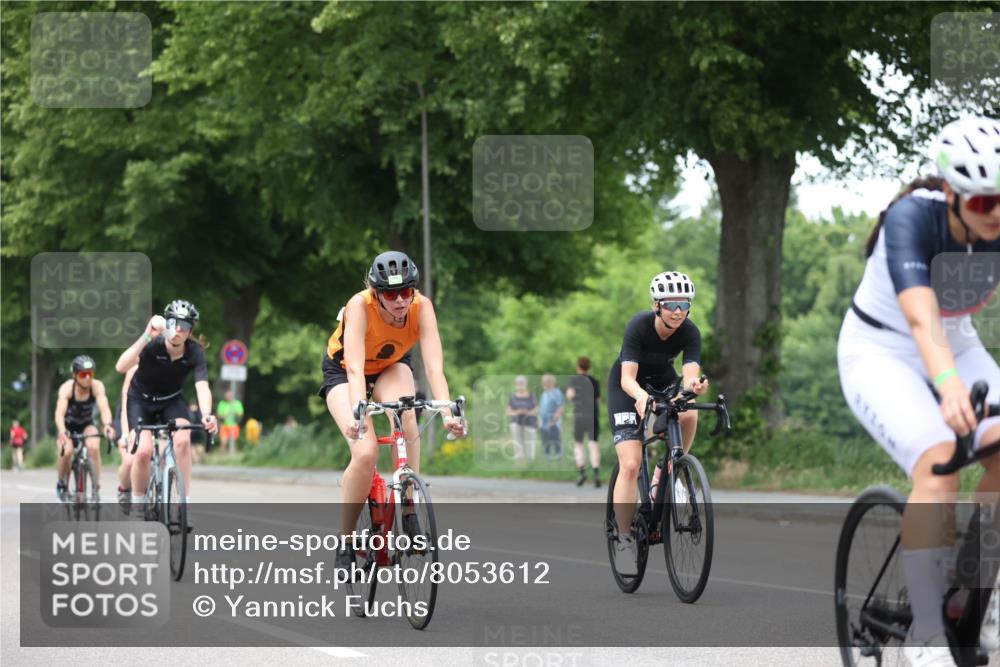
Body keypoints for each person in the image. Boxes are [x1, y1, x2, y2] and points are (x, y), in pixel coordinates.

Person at [837, 116, 1000, 666]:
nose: (996, 213)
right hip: (881, 349)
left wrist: (954, 374)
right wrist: (948, 386)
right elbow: (920, 317)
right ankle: (925, 635)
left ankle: (976, 596)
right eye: (983, 202)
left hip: (957, 341)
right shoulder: (910, 219)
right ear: (952, 193)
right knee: (939, 461)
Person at [319, 251, 464, 570]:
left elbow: (434, 368)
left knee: (407, 413)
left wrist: (448, 414)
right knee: (366, 452)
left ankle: (409, 509)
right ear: (376, 294)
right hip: (345, 372)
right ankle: (346, 539)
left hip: (391, 366)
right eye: (390, 294)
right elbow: (354, 368)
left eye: (406, 291)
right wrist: (358, 414)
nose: (399, 300)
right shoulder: (360, 305)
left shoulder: (422, 306)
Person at [607, 271, 708, 560]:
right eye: (670, 304)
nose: (677, 311)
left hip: (663, 382)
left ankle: (668, 472)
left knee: (688, 412)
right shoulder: (638, 326)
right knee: (630, 463)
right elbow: (627, 378)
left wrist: (695, 387)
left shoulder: (690, 332)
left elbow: (689, 375)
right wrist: (641, 397)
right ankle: (624, 538)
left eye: (683, 304)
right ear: (656, 305)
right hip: (627, 388)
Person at [116, 300, 217, 515]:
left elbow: (202, 386)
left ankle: (184, 504)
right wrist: (146, 336)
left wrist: (207, 414)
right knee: (143, 452)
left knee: (183, 441)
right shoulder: (153, 344)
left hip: (171, 401)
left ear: (190, 331)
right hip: (140, 401)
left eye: (185, 326)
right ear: (167, 323)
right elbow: (121, 366)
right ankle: (138, 505)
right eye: (174, 323)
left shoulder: (195, 352)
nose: (178, 330)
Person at [53, 355, 117, 502]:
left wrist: (107, 425)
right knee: (66, 451)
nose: (88, 378)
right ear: (75, 375)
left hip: (86, 424)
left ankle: (95, 486)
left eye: (90, 373)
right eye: (83, 374)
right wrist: (62, 430)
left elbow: (104, 408)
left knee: (93, 447)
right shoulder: (67, 389)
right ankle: (62, 484)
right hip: (67, 426)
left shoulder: (97, 386)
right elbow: (59, 414)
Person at [567, 356, 601, 487]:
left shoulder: (574, 380)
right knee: (593, 444)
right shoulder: (594, 381)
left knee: (578, 444)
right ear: (588, 367)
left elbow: (570, 395)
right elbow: (598, 401)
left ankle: (582, 472)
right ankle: (596, 474)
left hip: (579, 415)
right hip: (592, 415)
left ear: (578, 367)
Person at [507, 376, 538, 461]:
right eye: (518, 383)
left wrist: (528, 412)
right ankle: (519, 461)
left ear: (526, 384)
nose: (520, 385)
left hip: (530, 422)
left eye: (522, 383)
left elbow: (536, 409)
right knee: (517, 442)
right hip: (516, 422)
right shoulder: (512, 397)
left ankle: (530, 462)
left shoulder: (531, 396)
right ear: (516, 384)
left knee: (529, 442)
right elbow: (508, 411)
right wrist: (517, 412)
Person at [538, 374, 564, 458]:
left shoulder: (557, 393)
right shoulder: (544, 393)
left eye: (545, 382)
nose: (543, 384)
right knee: (545, 439)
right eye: (543, 382)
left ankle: (558, 456)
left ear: (551, 383)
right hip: (543, 422)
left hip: (553, 421)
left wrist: (554, 421)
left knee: (555, 439)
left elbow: (560, 407)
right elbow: (541, 407)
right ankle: (547, 456)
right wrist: (540, 419)